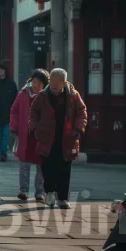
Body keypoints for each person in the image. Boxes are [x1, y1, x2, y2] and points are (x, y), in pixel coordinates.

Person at [29, 68, 87, 209]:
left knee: (64, 169)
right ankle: (49, 192)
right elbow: (33, 113)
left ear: (64, 82)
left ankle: (62, 198)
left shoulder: (73, 95)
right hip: (47, 138)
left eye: (57, 82)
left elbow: (82, 112)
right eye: (51, 82)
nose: (53, 85)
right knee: (48, 168)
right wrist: (35, 129)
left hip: (66, 139)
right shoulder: (43, 96)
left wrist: (79, 128)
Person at [10, 69, 50, 202]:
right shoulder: (22, 94)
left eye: (40, 83)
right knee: (24, 165)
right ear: (30, 81)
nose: (36, 85)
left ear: (44, 85)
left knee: (42, 167)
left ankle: (39, 192)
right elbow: (14, 111)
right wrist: (14, 127)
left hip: (41, 137)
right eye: (34, 82)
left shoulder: (47, 97)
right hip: (25, 135)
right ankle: (23, 190)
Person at [0, 63, 18, 162]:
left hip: (8, 113)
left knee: (6, 134)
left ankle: (3, 153)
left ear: (5, 71)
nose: (0, 71)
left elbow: (15, 97)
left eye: (2, 69)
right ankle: (2, 151)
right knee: (0, 135)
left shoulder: (11, 83)